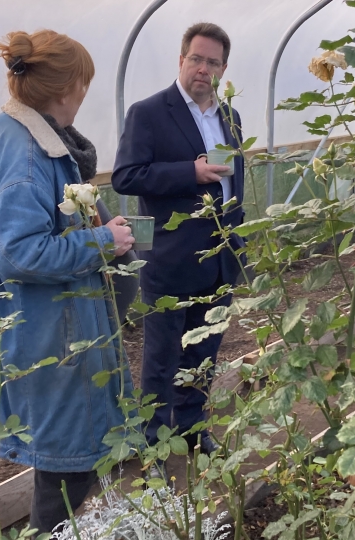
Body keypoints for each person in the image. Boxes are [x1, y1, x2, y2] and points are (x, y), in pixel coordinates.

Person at [0, 29, 135, 533]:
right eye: (83, 83)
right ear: (69, 90)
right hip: (50, 329)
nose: (85, 94)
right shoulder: (26, 154)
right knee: (67, 463)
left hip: (59, 321)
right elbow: (17, 252)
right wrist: (103, 242)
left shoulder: (27, 135)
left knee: (73, 454)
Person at [112, 22, 246, 478]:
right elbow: (126, 176)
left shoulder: (230, 117)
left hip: (221, 256)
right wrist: (190, 172)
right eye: (196, 59)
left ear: (223, 68)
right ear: (181, 60)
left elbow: (234, 182)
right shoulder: (149, 113)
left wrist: (237, 235)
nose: (203, 69)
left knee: (205, 351)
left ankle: (192, 429)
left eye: (213, 62)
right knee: (162, 356)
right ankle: (151, 443)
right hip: (171, 258)